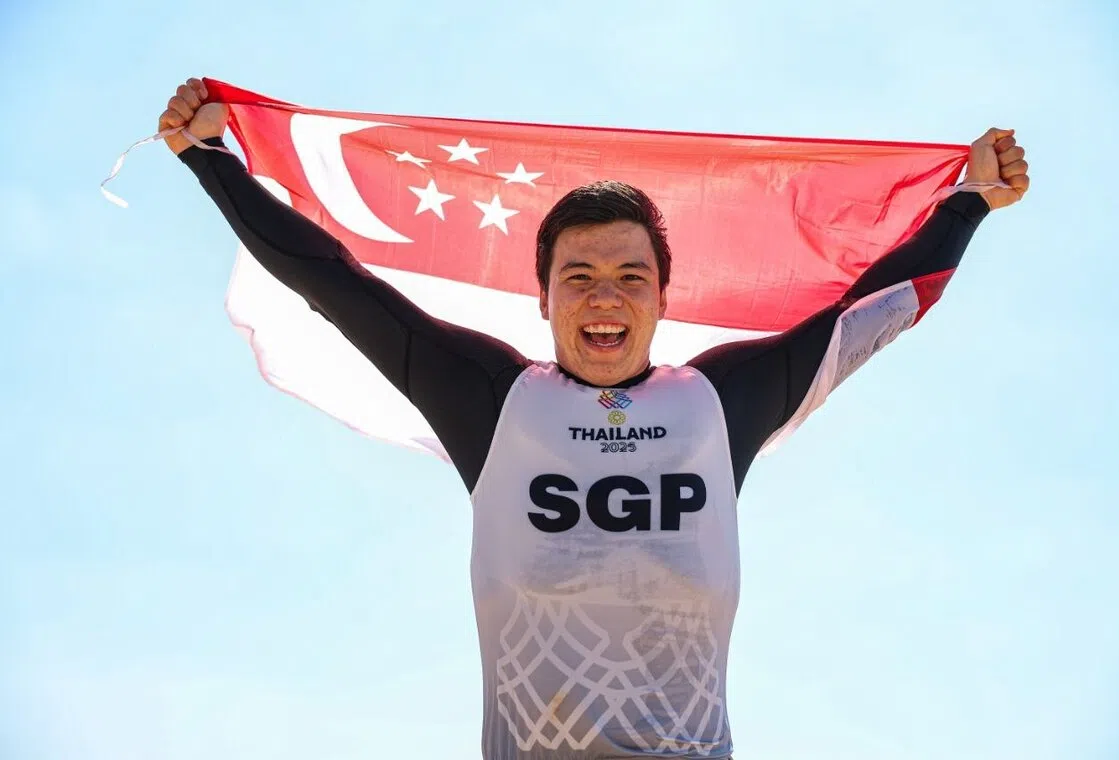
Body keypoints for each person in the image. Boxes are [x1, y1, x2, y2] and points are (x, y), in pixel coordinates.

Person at [160, 77, 1029, 759]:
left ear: (661, 298)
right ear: (542, 299)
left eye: (629, 276)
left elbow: (872, 307)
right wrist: (211, 161)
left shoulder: (719, 403)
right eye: (578, 276)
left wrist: (971, 202)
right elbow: (334, 281)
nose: (605, 297)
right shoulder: (493, 400)